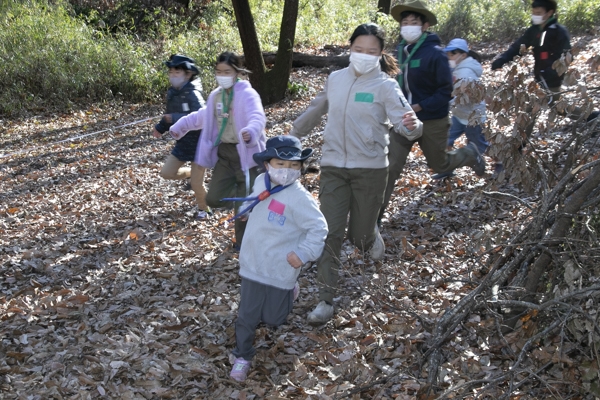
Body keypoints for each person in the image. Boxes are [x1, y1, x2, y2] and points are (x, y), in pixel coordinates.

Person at [291, 23, 422, 324]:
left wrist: (413, 127)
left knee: (359, 236)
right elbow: (317, 108)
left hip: (371, 169)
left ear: (380, 54)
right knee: (330, 233)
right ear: (350, 49)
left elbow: (404, 122)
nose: (364, 56)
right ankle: (326, 300)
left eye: (371, 52)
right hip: (334, 166)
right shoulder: (335, 79)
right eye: (359, 50)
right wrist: (295, 133)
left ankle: (370, 237)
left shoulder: (386, 86)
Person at [228, 136, 328, 382]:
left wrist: (303, 253)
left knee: (274, 318)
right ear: (267, 164)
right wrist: (247, 210)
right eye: (280, 164)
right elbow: (256, 198)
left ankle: (291, 290)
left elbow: (319, 228)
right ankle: (242, 355)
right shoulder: (262, 181)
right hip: (254, 261)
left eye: (294, 166)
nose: (287, 171)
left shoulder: (300, 199)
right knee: (247, 316)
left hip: (282, 266)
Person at [379, 0, 486, 224]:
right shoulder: (401, 52)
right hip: (404, 120)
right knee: (388, 169)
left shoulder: (435, 54)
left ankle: (470, 153)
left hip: (432, 119)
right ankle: (373, 221)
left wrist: (420, 106)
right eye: (404, 22)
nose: (408, 26)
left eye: (413, 22)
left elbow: (446, 91)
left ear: (425, 26)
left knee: (440, 165)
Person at [169, 52, 267, 248]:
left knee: (243, 210)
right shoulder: (216, 96)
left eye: (227, 71)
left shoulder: (248, 94)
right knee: (213, 198)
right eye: (218, 71)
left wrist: (251, 131)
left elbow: (258, 116)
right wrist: (180, 127)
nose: (222, 75)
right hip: (225, 154)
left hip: (247, 156)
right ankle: (247, 199)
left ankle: (243, 245)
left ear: (237, 72)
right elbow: (201, 116)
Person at [490, 1, 598, 138]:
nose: (535, 16)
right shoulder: (534, 30)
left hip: (552, 79)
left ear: (550, 12)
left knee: (530, 111)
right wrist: (502, 60)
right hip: (539, 77)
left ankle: (518, 146)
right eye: (534, 12)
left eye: (539, 13)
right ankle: (592, 117)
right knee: (557, 107)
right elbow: (518, 46)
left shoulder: (559, 32)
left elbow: (566, 57)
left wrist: (551, 73)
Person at [432, 39, 503, 179]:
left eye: (452, 54)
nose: (449, 57)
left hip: (472, 116)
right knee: (446, 139)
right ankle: (447, 167)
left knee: (480, 144)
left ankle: (500, 162)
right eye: (448, 54)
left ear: (462, 55)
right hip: (459, 115)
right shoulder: (456, 69)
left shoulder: (465, 73)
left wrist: (446, 101)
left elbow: (469, 96)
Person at [152, 54, 210, 219]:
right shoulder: (172, 93)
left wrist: (175, 118)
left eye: (176, 72)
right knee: (166, 173)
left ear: (188, 74)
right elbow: (168, 116)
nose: (172, 75)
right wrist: (160, 128)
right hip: (183, 144)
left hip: (200, 145)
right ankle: (190, 172)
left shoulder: (194, 94)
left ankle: (204, 209)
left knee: (196, 184)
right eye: (171, 72)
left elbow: (202, 117)